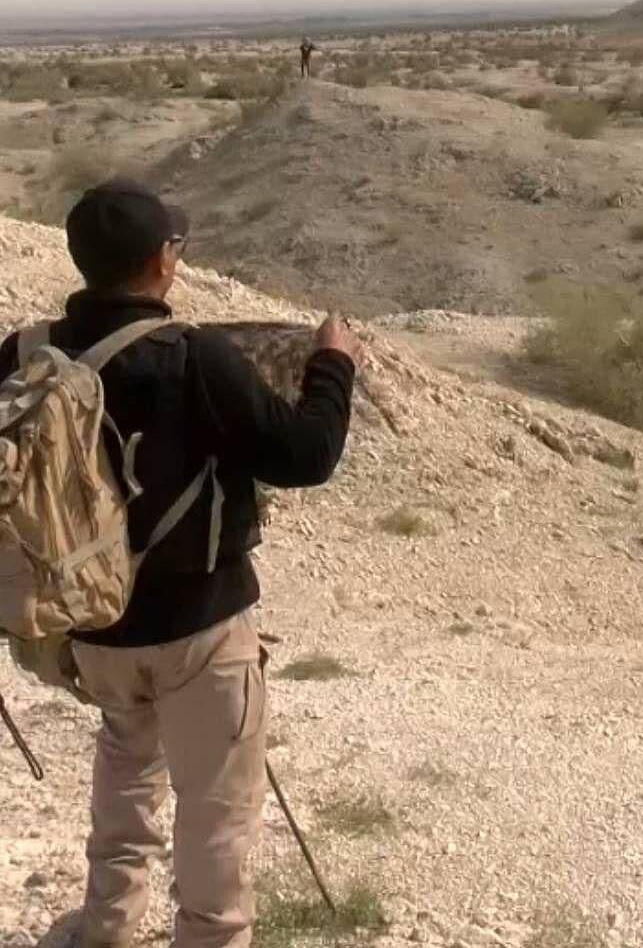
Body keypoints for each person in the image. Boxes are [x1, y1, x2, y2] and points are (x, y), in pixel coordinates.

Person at [0, 180, 359, 948]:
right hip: (200, 630)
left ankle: (106, 929)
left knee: (126, 774)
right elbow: (307, 454)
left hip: (89, 632)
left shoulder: (26, 356)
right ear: (161, 264)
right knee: (216, 810)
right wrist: (334, 365)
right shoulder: (197, 358)